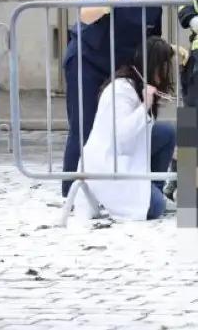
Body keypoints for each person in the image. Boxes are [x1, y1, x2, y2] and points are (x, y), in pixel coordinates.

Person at [61, 0, 169, 198]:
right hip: (88, 62)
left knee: (123, 127)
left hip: (122, 68)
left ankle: (112, 189)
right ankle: (71, 192)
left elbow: (152, 36)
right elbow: (84, 15)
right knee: (84, 126)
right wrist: (106, 5)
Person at [75, 37, 177, 220]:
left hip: (127, 157)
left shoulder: (136, 85)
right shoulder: (121, 89)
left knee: (166, 132)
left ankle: (154, 189)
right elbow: (121, 137)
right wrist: (145, 106)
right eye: (163, 66)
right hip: (110, 163)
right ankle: (149, 197)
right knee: (155, 208)